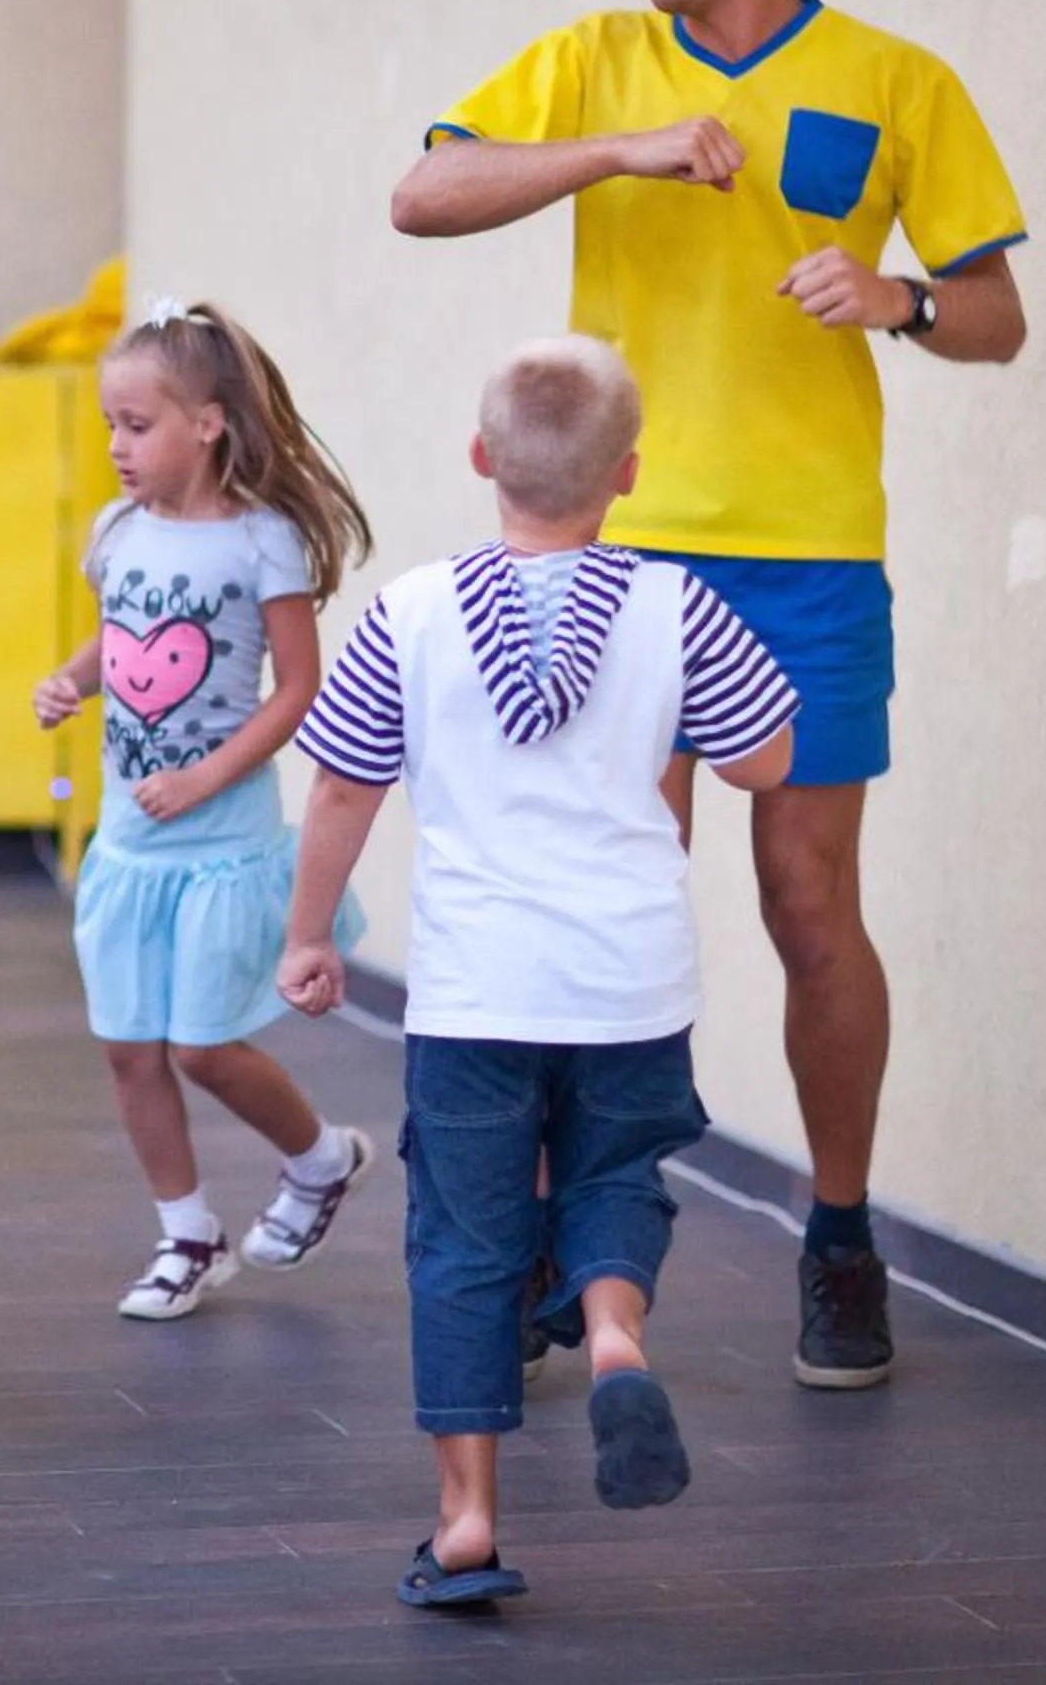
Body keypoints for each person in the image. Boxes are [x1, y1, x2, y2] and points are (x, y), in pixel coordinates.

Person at [388, 0, 1031, 1388]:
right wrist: (611, 157)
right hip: (626, 556)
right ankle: (569, 1244)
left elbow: (998, 314)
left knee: (810, 906)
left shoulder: (899, 80)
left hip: (812, 554)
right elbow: (423, 192)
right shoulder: (597, 65)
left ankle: (840, 1237)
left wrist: (900, 304)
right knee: (601, 898)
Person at [281, 337, 798, 1606]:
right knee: (615, 1172)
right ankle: (614, 1332)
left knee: (463, 1240)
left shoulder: (407, 613)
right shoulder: (678, 607)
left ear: (479, 459)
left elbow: (346, 783)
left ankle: (465, 1521)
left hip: (474, 990)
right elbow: (769, 760)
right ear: (627, 473)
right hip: (629, 982)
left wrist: (306, 934)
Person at [30, 300, 375, 1322]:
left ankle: (319, 1160)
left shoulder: (263, 543)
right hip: (130, 848)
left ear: (209, 423)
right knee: (130, 1046)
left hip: (220, 848)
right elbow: (123, 638)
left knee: (202, 1046)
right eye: (110, 426)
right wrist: (73, 678)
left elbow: (297, 690)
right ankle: (188, 1232)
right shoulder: (117, 531)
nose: (117, 446)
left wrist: (203, 778)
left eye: (137, 426)